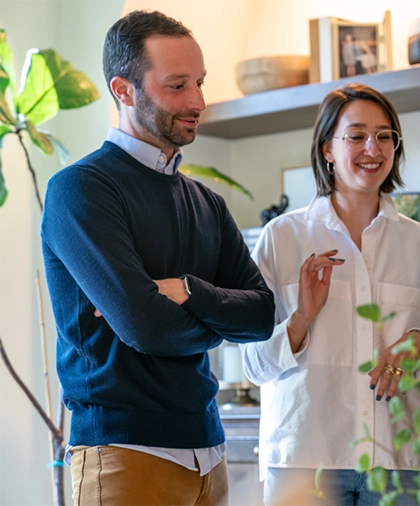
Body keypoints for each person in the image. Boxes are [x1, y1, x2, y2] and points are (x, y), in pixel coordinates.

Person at [40, 10, 275, 506]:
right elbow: (147, 327)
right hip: (122, 452)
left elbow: (261, 315)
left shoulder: (206, 202)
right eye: (177, 86)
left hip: (209, 454)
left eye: (200, 83)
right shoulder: (81, 190)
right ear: (123, 90)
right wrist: (215, 321)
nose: (198, 102)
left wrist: (190, 292)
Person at [240, 83, 420, 506]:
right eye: (356, 135)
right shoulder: (281, 239)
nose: (372, 147)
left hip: (403, 463)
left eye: (384, 135)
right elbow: (253, 365)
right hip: (306, 463)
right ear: (327, 149)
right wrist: (302, 318)